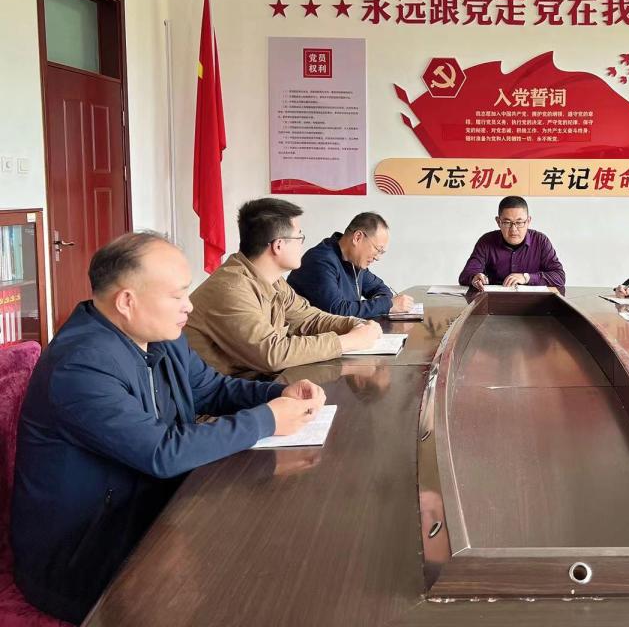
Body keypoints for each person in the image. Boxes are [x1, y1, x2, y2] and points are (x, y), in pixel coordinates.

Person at [11, 232, 327, 623]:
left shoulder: (160, 335)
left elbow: (211, 389)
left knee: (273, 546)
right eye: (177, 296)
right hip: (85, 552)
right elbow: (162, 452)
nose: (189, 306)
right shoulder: (80, 366)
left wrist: (278, 393)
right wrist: (269, 419)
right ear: (127, 301)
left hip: (154, 511)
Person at [185, 198, 381, 378]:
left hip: (256, 385)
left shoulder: (274, 281)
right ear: (278, 245)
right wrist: (349, 341)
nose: (302, 245)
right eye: (299, 237)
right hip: (221, 400)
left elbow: (309, 318)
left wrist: (356, 324)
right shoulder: (231, 289)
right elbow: (273, 353)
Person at [288, 212, 415, 319]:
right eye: (378, 249)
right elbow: (337, 311)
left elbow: (381, 289)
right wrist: (388, 305)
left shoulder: (353, 261)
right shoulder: (320, 261)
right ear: (358, 237)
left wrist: (382, 303)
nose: (378, 257)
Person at [458, 196, 566, 292]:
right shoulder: (486, 241)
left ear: (528, 221)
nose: (513, 229)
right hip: (494, 302)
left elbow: (559, 277)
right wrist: (475, 277)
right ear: (498, 222)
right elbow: (465, 275)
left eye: (519, 222)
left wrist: (526, 277)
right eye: (507, 222)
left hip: (534, 302)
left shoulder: (541, 241)